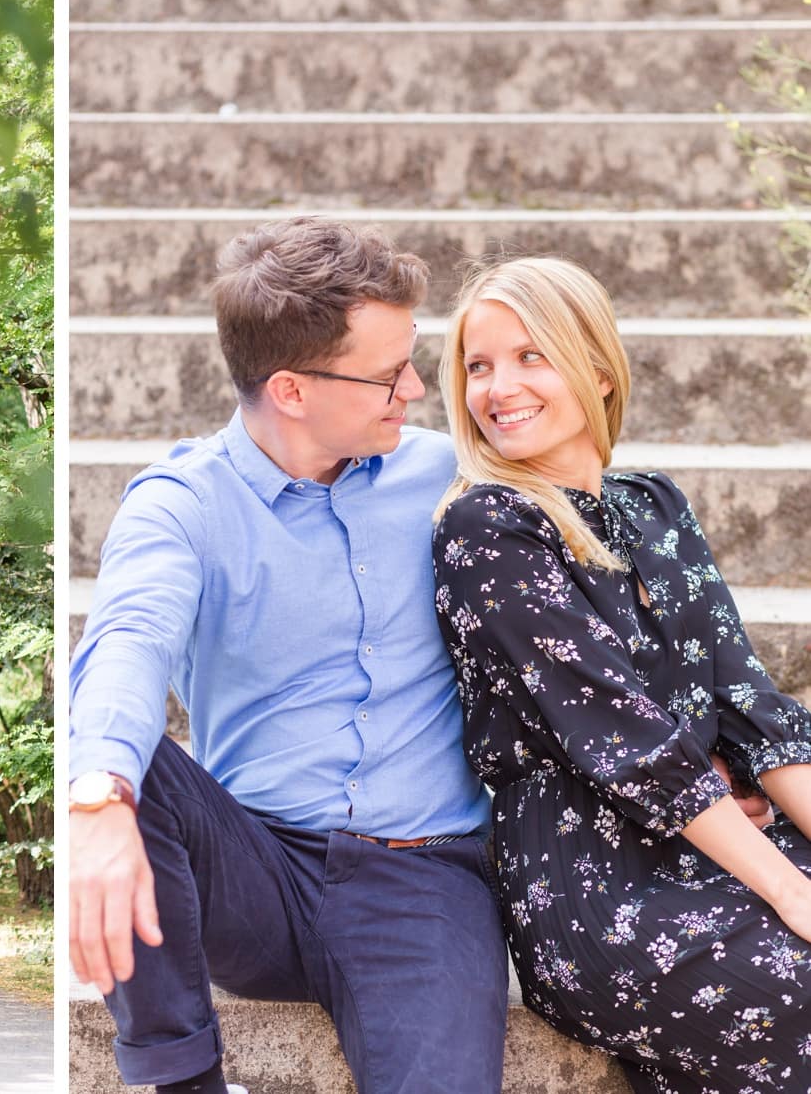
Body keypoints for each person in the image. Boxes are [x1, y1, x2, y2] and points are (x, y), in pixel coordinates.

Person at [69, 216, 510, 1094]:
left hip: (425, 882)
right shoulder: (181, 505)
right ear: (292, 390)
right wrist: (97, 802)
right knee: (120, 767)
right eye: (388, 375)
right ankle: (185, 1082)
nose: (417, 390)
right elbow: (127, 640)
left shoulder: (454, 476)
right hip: (259, 871)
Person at [431, 255, 811, 1093]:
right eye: (478, 365)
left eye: (531, 356)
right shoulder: (488, 527)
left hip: (720, 842)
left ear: (597, 369)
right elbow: (625, 744)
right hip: (595, 885)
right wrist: (791, 893)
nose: (498, 387)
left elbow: (749, 705)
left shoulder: (655, 504)